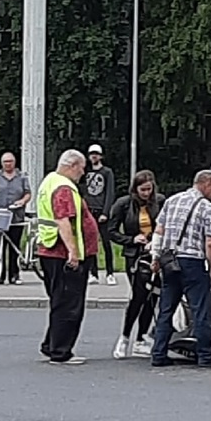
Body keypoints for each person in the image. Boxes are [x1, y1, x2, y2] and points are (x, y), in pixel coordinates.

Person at [151, 169, 211, 369]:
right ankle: (205, 356)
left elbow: (158, 232)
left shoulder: (171, 201)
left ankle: (158, 354)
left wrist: (155, 258)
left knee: (166, 310)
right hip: (193, 262)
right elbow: (210, 243)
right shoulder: (208, 208)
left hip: (170, 261)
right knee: (200, 310)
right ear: (206, 184)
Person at [36, 148, 97, 364]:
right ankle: (61, 351)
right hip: (62, 255)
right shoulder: (64, 187)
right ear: (72, 165)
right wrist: (73, 252)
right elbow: (63, 220)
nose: (82, 173)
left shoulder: (49, 181)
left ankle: (50, 345)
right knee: (69, 305)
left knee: (60, 302)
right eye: (81, 168)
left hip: (50, 250)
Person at [109, 167, 162, 359]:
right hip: (134, 255)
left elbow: (164, 226)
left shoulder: (160, 202)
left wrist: (156, 242)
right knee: (138, 296)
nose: (147, 194)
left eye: (149, 189)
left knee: (152, 297)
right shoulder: (123, 204)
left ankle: (141, 338)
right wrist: (131, 239)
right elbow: (111, 231)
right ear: (135, 189)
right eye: (143, 190)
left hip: (154, 254)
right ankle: (124, 337)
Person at [0, 150, 32, 281]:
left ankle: (14, 274)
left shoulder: (22, 177)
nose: (8, 164)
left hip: (16, 217)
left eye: (10, 161)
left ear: (14, 162)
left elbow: (27, 193)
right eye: (5, 162)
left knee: (14, 246)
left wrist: (22, 201)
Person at [84, 144, 117, 280]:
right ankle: (93, 272)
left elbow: (110, 192)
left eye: (96, 154)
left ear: (101, 156)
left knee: (106, 242)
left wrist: (105, 212)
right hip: (89, 210)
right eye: (91, 154)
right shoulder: (85, 171)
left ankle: (110, 273)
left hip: (101, 210)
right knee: (90, 242)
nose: (94, 156)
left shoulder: (107, 172)